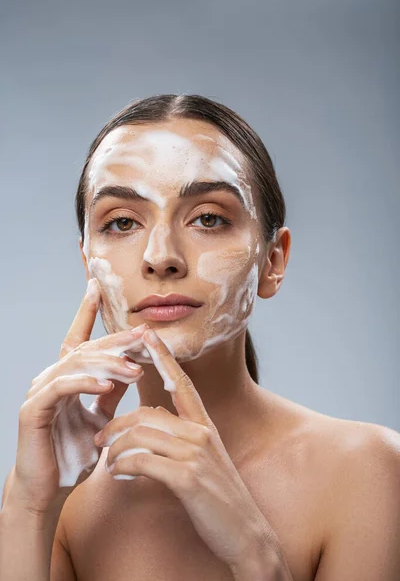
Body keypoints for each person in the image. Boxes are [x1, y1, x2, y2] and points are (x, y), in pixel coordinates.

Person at [1, 94, 399, 581]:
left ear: (272, 261)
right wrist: (28, 509)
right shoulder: (59, 495)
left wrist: (253, 551)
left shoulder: (366, 473)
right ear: (89, 265)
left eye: (208, 218)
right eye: (122, 222)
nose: (160, 256)